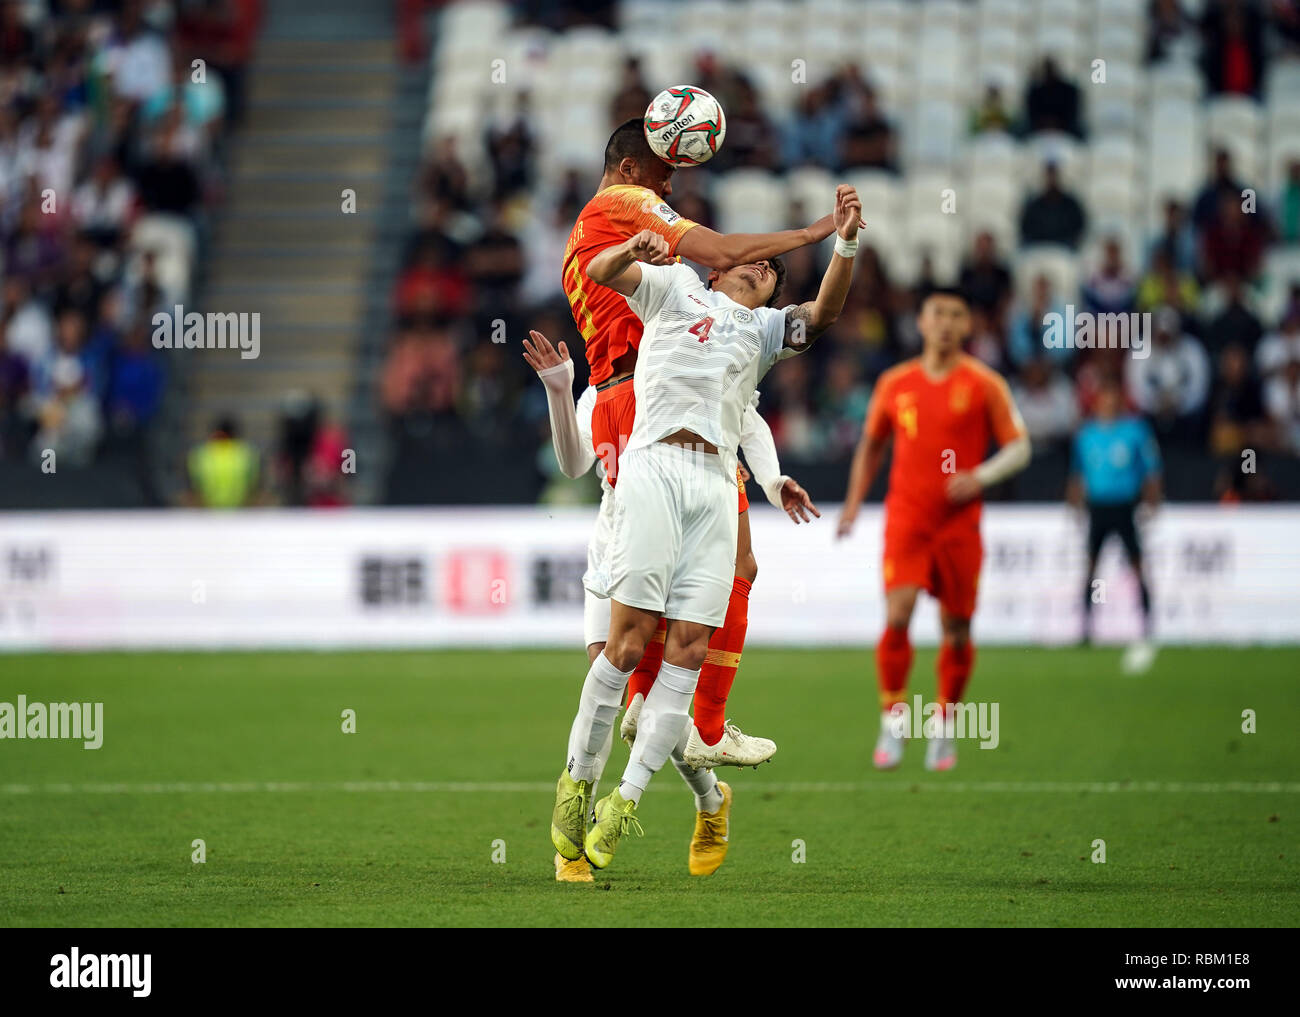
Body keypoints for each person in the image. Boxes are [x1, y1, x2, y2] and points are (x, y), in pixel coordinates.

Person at [550, 185, 862, 872]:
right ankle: (576, 782)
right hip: (654, 468)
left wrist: (843, 241)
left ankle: (622, 804)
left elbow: (828, 311)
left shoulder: (764, 334)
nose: (765, 272)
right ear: (717, 269)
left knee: (687, 650)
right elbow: (603, 274)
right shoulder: (673, 288)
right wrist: (631, 249)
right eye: (754, 263)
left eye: (774, 275)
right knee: (627, 648)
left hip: (717, 486)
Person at [524, 330, 816, 880]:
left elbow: (748, 423)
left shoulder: (693, 373)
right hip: (617, 541)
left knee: (649, 703)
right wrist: (559, 389)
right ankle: (695, 801)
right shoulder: (602, 390)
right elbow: (571, 464)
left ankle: (649, 813)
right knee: (614, 682)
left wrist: (772, 484)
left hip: (680, 545)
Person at [837, 288, 1030, 772]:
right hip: (908, 521)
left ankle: (944, 726)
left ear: (968, 327)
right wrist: (854, 504)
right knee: (898, 615)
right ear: (921, 323)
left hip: (960, 529)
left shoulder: (984, 383)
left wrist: (980, 477)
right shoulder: (895, 383)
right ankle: (893, 720)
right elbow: (872, 445)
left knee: (957, 630)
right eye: (937, 314)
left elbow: (1020, 447)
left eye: (956, 315)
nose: (945, 322)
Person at [1067, 376, 1162, 673]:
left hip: (1124, 506)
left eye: (1113, 397)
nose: (1108, 403)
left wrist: (1152, 501)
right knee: (1091, 567)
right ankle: (1085, 628)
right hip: (1098, 507)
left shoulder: (1135, 431)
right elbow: (1078, 474)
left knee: (1137, 565)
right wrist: (1074, 502)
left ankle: (1147, 626)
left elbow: (1151, 470)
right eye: (1103, 398)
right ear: (1096, 401)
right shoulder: (1086, 435)